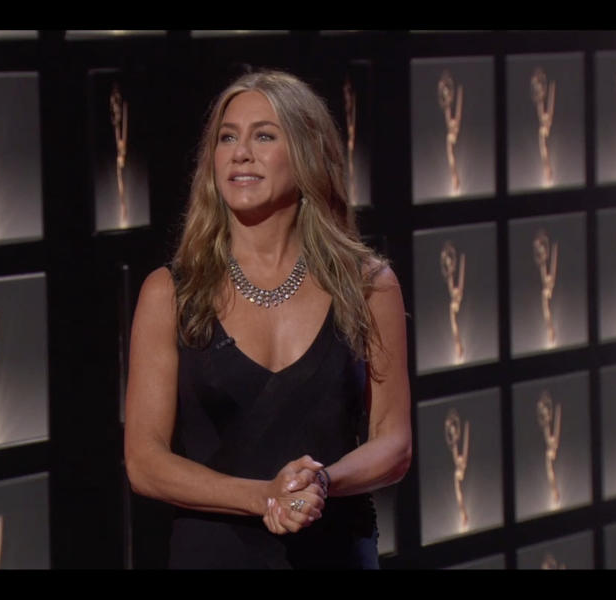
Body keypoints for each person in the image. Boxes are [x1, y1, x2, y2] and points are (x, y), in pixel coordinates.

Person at [124, 70, 412, 569]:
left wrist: (321, 482)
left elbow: (394, 443)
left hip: (336, 552)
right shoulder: (170, 293)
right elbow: (145, 463)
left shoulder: (367, 285)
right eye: (227, 138)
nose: (240, 153)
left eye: (263, 136)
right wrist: (265, 497)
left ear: (306, 154)